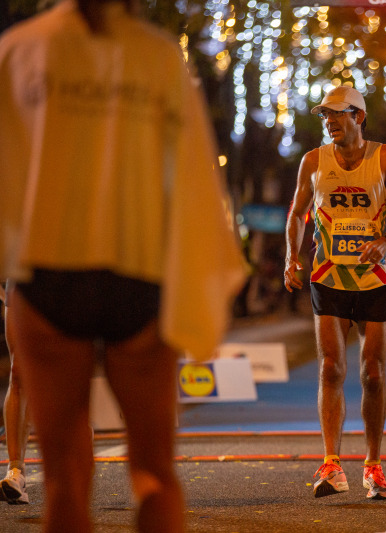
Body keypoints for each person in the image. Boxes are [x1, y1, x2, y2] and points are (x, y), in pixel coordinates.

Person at [0, 0, 246, 530]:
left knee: (65, 477)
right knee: (155, 471)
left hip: (47, 268)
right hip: (138, 274)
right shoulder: (157, 58)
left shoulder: (19, 50)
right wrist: (197, 289)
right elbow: (195, 184)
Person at [284, 85, 386, 500]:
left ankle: (373, 466)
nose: (330, 123)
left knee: (372, 372)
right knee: (330, 369)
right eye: (325, 116)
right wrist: (291, 258)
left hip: (374, 277)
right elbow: (297, 212)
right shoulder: (313, 161)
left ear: (359, 116)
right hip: (328, 273)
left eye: (338, 115)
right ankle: (331, 464)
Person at [0, 281, 30, 505]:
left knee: (70, 373)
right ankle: (16, 471)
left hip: (70, 271)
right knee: (17, 371)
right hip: (22, 274)